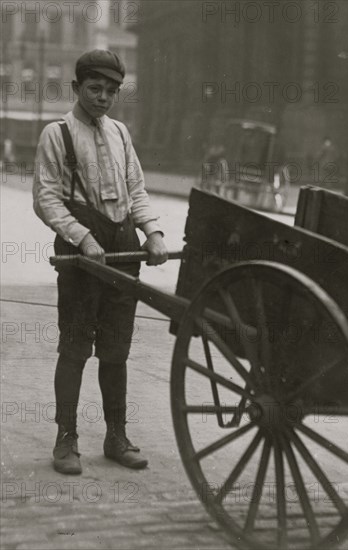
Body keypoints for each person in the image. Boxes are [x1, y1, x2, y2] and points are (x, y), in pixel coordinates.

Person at [33, 50, 168, 475]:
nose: (103, 97)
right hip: (80, 254)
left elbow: (137, 190)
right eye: (95, 89)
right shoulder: (56, 134)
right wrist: (83, 238)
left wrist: (153, 232)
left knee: (116, 350)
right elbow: (46, 198)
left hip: (124, 247)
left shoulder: (121, 134)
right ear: (77, 88)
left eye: (111, 91)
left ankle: (116, 436)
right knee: (74, 349)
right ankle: (66, 439)